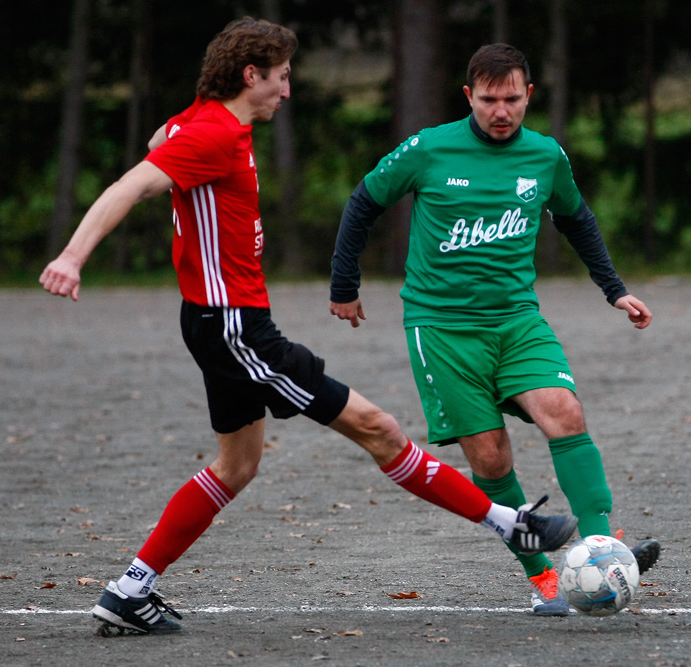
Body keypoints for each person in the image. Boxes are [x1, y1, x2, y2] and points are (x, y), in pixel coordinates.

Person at [40, 20, 578, 635]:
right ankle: (511, 524)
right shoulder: (215, 133)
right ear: (252, 75)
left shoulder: (200, 120)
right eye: (282, 77)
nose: (287, 91)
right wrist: (72, 256)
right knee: (378, 428)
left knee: (236, 467)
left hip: (214, 321)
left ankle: (128, 590)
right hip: (235, 327)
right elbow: (134, 184)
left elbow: (162, 137)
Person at [330, 43, 661, 617]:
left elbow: (577, 220)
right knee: (491, 461)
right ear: (469, 97)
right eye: (489, 100)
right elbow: (364, 202)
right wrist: (344, 284)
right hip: (441, 329)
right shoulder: (430, 148)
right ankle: (546, 581)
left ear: (529, 96)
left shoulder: (544, 155)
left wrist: (615, 289)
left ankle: (602, 550)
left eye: (512, 99)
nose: (501, 111)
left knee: (565, 410)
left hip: (516, 319)